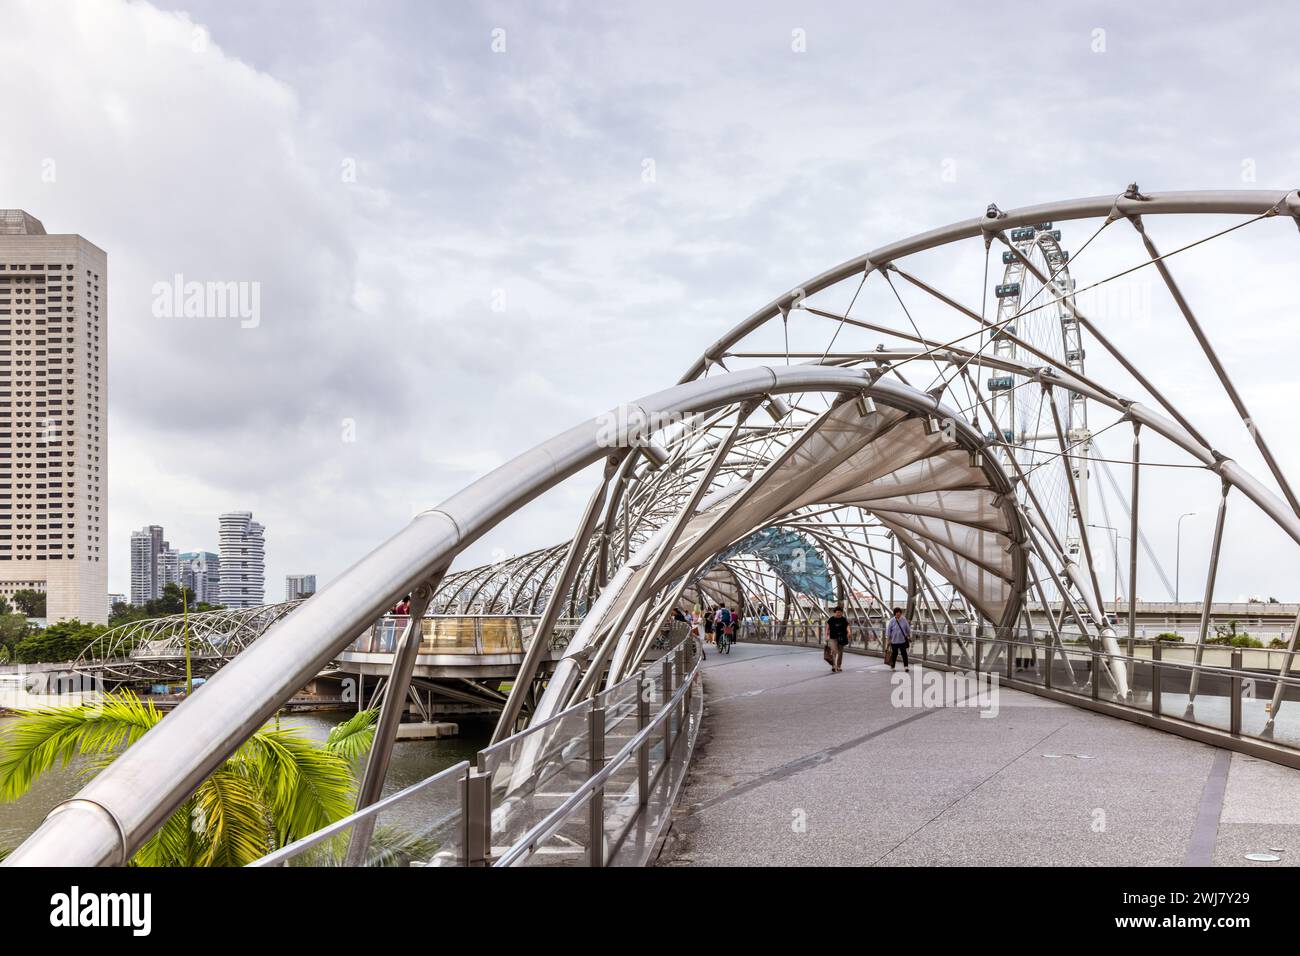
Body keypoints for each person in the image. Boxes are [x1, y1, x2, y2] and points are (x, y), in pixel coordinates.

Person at [886, 606, 911, 672]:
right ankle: (892, 666)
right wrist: (888, 640)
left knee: (904, 654)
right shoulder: (892, 621)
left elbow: (907, 628)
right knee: (894, 654)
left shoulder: (904, 619)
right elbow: (888, 631)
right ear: (895, 613)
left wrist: (908, 635)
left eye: (899, 612)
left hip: (902, 640)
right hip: (894, 641)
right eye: (897, 612)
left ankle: (906, 667)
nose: (898, 614)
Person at [826, 606, 849, 673]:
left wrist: (849, 632)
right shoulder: (831, 619)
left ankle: (839, 666)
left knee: (840, 652)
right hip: (833, 637)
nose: (839, 614)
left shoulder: (843, 619)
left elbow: (847, 626)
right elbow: (827, 628)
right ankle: (833, 665)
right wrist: (827, 636)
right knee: (834, 651)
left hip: (841, 638)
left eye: (840, 613)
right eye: (837, 613)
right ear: (834, 613)